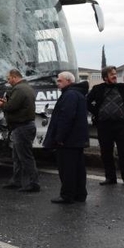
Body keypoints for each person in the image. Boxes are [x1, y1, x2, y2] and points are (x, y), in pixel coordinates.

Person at [86, 65, 124, 186]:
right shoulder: (98, 89)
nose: (115, 76)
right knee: (106, 152)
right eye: (112, 74)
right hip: (104, 125)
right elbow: (86, 101)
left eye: (115, 74)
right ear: (105, 77)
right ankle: (110, 177)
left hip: (120, 124)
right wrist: (97, 111)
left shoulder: (123, 87)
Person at [42, 72, 89, 204]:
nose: (57, 83)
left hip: (68, 140)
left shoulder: (69, 95)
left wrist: (59, 137)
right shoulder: (77, 94)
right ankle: (80, 194)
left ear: (68, 81)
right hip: (77, 139)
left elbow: (65, 118)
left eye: (60, 81)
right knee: (78, 168)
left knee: (66, 168)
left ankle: (67, 195)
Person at [0, 69, 40, 192]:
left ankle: (33, 183)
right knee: (17, 156)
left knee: (25, 157)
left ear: (14, 77)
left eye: (9, 79)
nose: (8, 81)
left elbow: (11, 107)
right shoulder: (26, 87)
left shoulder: (19, 89)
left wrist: (2, 105)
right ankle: (16, 181)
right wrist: (6, 102)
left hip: (22, 127)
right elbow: (17, 104)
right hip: (23, 127)